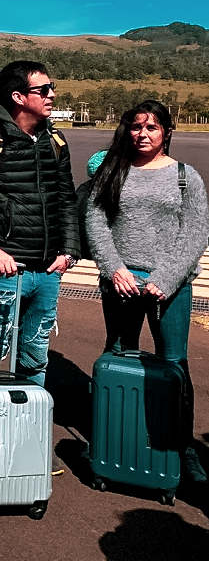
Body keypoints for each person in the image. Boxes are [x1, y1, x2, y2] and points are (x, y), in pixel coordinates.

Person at [0, 61, 79, 475]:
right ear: (18, 97)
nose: (53, 95)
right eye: (45, 89)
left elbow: (66, 201)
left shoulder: (56, 141)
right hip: (4, 270)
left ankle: (26, 444)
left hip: (46, 271)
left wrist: (69, 249)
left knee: (35, 357)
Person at [85, 100, 209, 484]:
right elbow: (96, 220)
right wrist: (114, 268)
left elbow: (195, 231)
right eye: (137, 126)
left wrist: (167, 278)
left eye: (152, 127)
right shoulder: (113, 171)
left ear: (166, 133)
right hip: (121, 283)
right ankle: (109, 437)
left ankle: (182, 447)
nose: (143, 134)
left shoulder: (186, 176)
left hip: (169, 287)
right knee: (117, 352)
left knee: (175, 363)